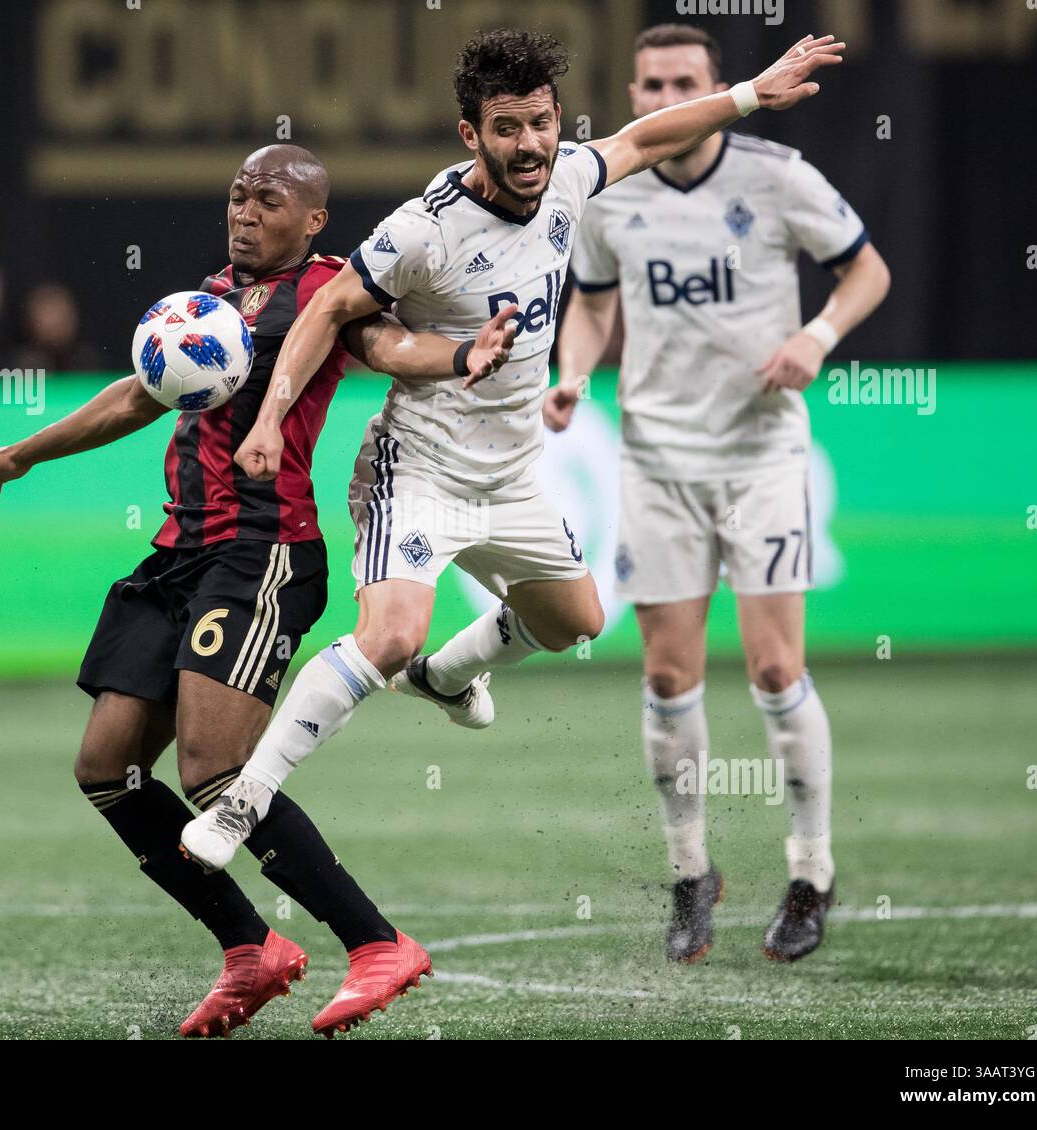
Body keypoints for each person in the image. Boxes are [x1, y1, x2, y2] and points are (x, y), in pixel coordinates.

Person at [180, 28, 846, 898]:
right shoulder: (424, 230)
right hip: (418, 470)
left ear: (556, 119)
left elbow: (647, 137)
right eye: (505, 128)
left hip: (513, 474)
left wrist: (754, 92)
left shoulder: (569, 172)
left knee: (577, 622)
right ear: (472, 136)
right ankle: (244, 801)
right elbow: (328, 312)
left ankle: (448, 680)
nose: (527, 145)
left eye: (538, 123)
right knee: (387, 635)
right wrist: (269, 417)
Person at [0, 144, 517, 1038]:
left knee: (212, 771)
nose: (245, 210)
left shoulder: (330, 292)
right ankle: (252, 950)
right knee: (108, 770)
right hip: (177, 553)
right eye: (238, 194)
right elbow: (136, 396)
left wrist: (464, 351)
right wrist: (22, 452)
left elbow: (389, 345)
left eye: (268, 198)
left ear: (313, 218)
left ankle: (375, 942)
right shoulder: (208, 296)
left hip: (262, 555)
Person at [553, 24, 891, 963]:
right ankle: (692, 873)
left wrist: (817, 337)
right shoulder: (608, 193)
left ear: (716, 86)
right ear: (632, 91)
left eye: (684, 82)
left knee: (777, 670)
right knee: (667, 676)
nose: (666, 97)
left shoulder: (775, 174)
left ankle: (811, 873)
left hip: (760, 457)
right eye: (652, 83)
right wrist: (575, 374)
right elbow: (589, 303)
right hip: (658, 459)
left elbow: (868, 268)